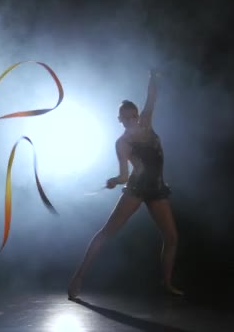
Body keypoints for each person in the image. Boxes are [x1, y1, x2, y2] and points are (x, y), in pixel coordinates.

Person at [67, 70, 183, 299]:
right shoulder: (122, 143)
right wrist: (114, 180)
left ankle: (166, 284)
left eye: (133, 116)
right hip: (137, 188)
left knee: (171, 238)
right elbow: (124, 174)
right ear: (120, 120)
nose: (130, 120)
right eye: (125, 118)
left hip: (157, 189)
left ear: (138, 115)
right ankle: (78, 277)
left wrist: (153, 77)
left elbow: (152, 97)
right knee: (107, 233)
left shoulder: (147, 124)